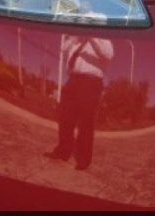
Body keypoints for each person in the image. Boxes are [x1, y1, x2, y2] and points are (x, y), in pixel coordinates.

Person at [46, 34, 114, 170]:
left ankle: (83, 160)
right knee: (65, 117)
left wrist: (91, 35)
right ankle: (63, 151)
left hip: (90, 81)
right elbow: (63, 49)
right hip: (72, 80)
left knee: (86, 122)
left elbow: (108, 54)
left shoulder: (102, 39)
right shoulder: (77, 41)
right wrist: (72, 38)